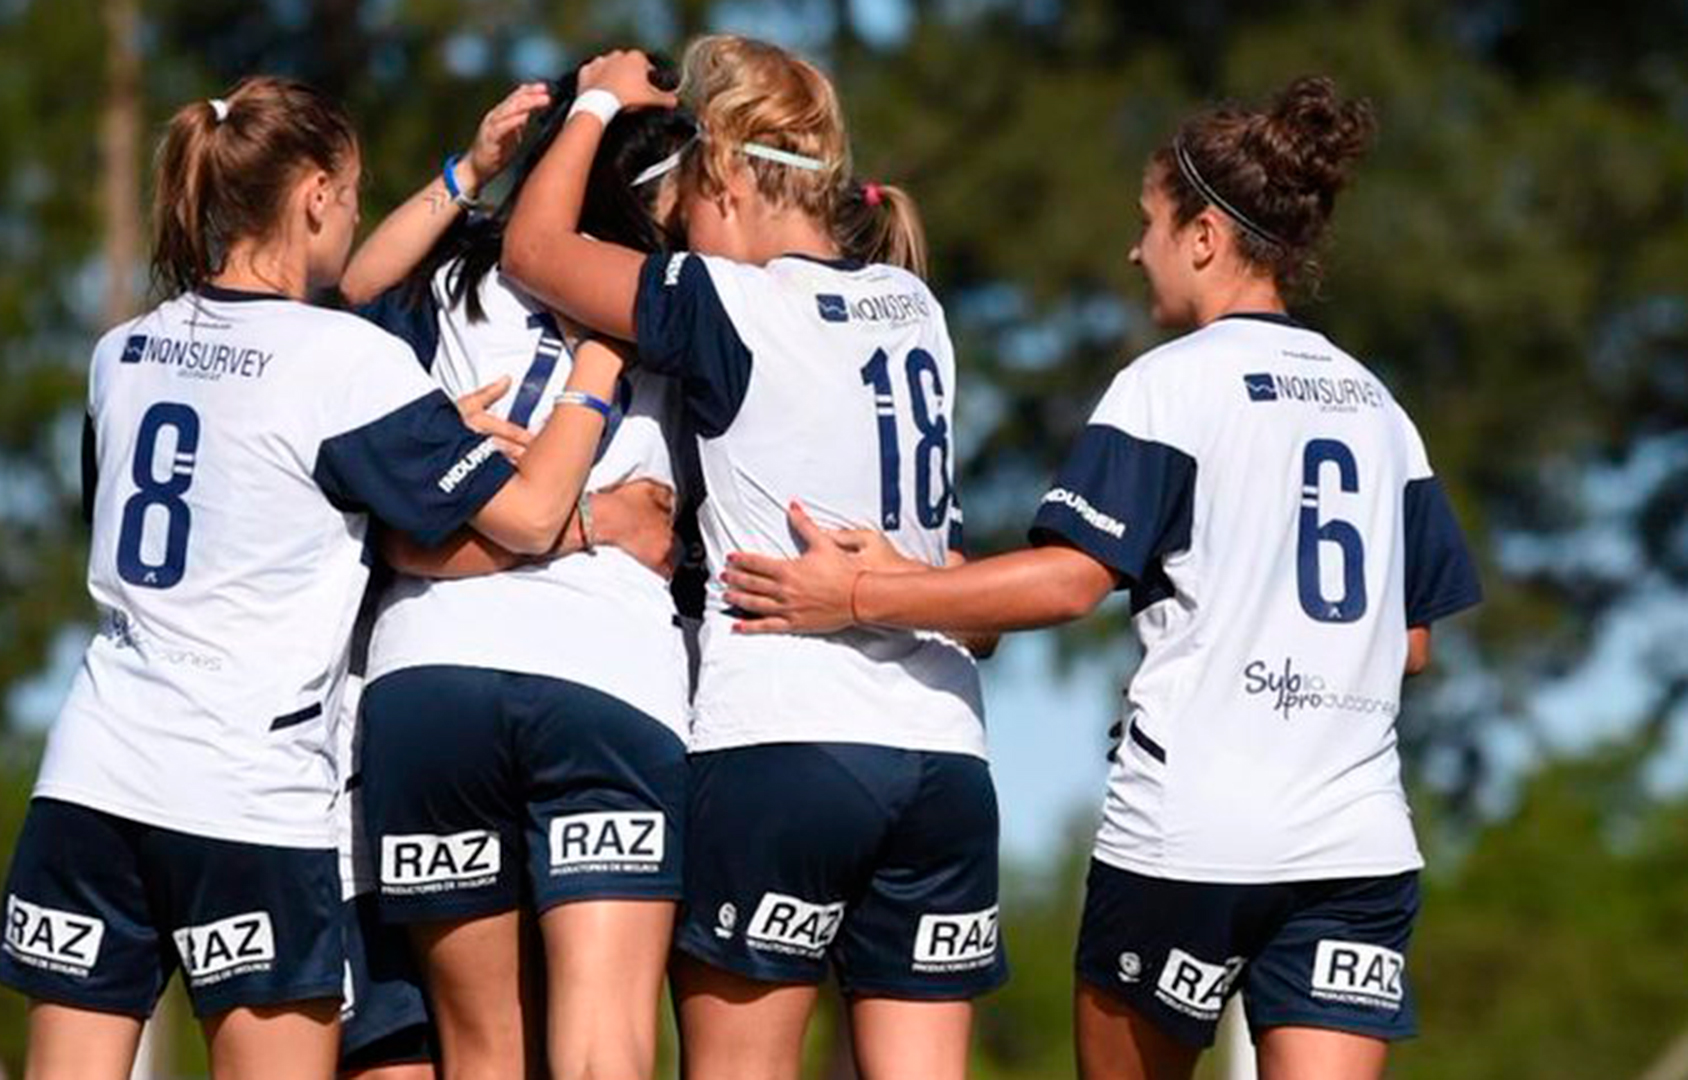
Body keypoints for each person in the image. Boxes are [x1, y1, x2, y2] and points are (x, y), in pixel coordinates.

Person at [718, 76, 1484, 1080]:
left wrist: (862, 594)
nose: (1137, 250)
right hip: (1357, 842)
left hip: (1193, 834)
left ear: (1205, 236)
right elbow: (1413, 643)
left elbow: (1069, 583)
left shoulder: (1171, 384)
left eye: (1149, 225)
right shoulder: (1382, 410)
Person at [0, 74, 625, 1080]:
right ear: (316, 196)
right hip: (242, 795)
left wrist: (405, 448)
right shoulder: (345, 361)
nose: (360, 215)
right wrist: (597, 373)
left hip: (90, 780)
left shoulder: (120, 354)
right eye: (358, 193)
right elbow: (533, 515)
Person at [503, 37, 1002, 1080]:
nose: (678, 230)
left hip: (785, 739)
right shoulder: (917, 308)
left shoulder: (727, 301)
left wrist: (593, 105)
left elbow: (534, 253)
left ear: (728, 176)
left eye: (684, 205)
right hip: (947, 756)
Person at [339, 70, 696, 1080]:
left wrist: (473, 166)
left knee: (482, 1055)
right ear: (664, 194)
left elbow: (352, 292)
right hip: (603, 679)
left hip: (430, 678)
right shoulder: (677, 297)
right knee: (600, 1049)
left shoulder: (456, 271)